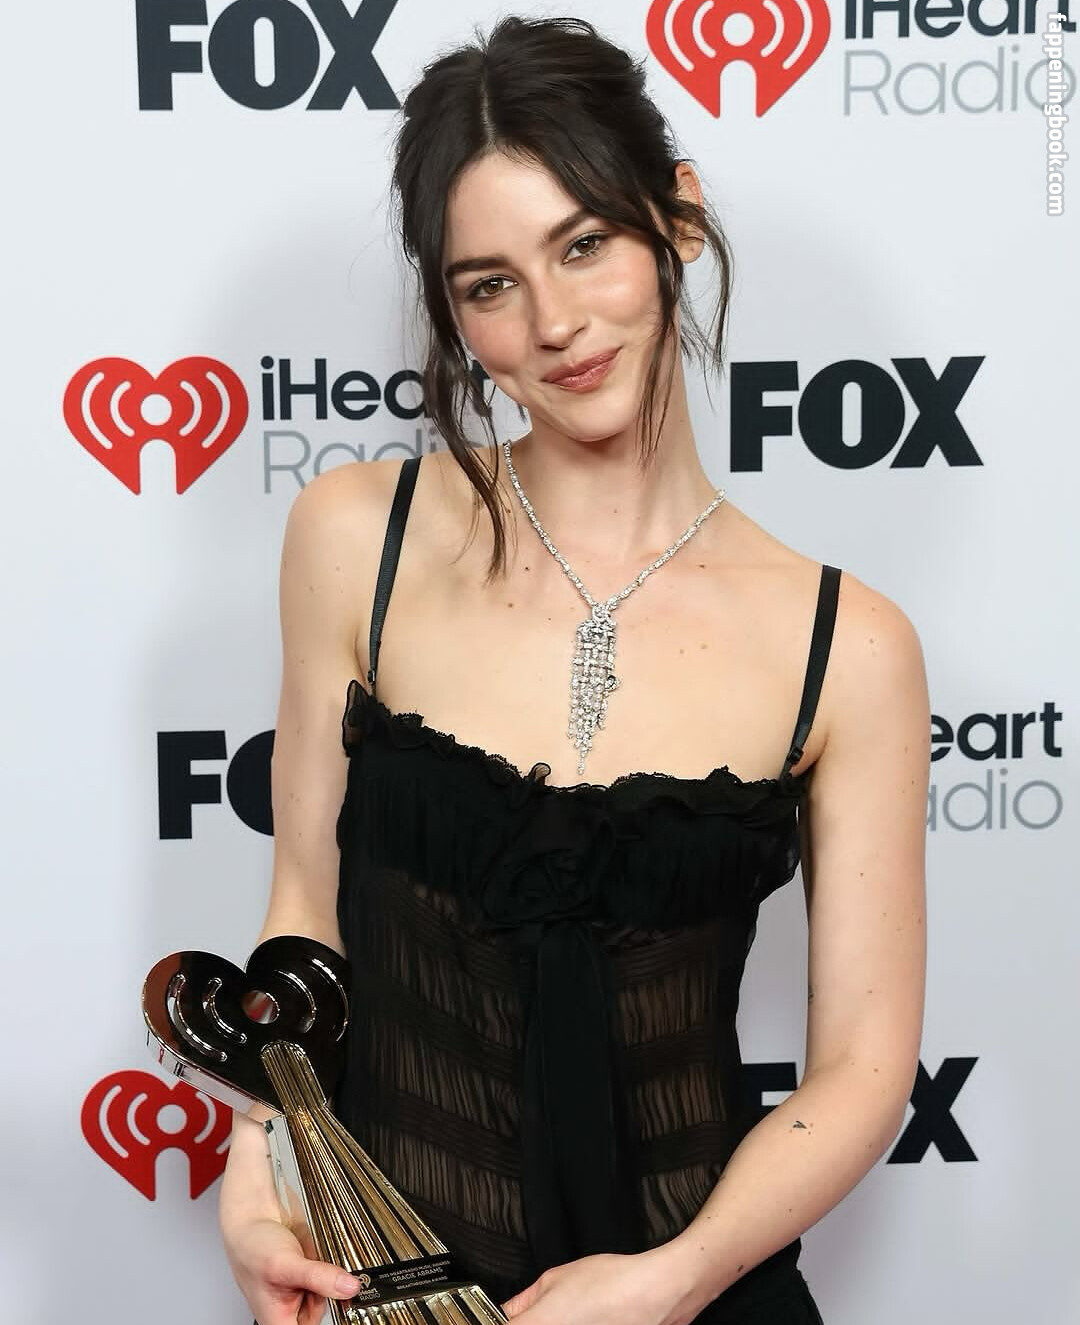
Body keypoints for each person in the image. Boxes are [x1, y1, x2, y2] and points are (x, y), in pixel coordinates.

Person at [219, 16, 929, 1325]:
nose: (553, 323)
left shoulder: (849, 644)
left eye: (585, 244)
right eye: (489, 285)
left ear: (679, 221)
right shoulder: (356, 538)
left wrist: (673, 1282)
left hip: (696, 1295)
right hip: (386, 1296)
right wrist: (261, 1164)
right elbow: (306, 909)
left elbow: (863, 1067)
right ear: (451, 310)